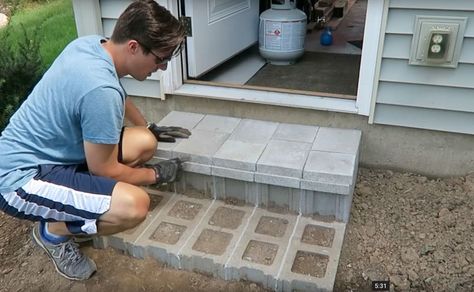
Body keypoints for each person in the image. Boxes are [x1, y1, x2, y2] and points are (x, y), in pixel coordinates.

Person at [0, 0, 190, 281]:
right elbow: (106, 170)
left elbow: (118, 94)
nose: (161, 68)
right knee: (134, 205)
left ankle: (75, 207)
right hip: (20, 179)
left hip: (56, 155)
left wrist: (147, 127)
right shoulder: (101, 91)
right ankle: (52, 232)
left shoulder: (93, 45)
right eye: (160, 58)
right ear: (134, 47)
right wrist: (156, 174)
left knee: (144, 142)